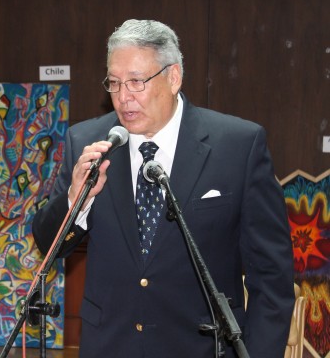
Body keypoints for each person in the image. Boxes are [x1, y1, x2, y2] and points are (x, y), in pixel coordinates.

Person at [32, 20, 295, 357]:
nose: (123, 97)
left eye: (137, 82)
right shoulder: (88, 142)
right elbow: (47, 243)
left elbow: (272, 276)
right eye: (114, 83)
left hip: (203, 348)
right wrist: (76, 199)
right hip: (109, 346)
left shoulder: (237, 147)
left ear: (173, 78)